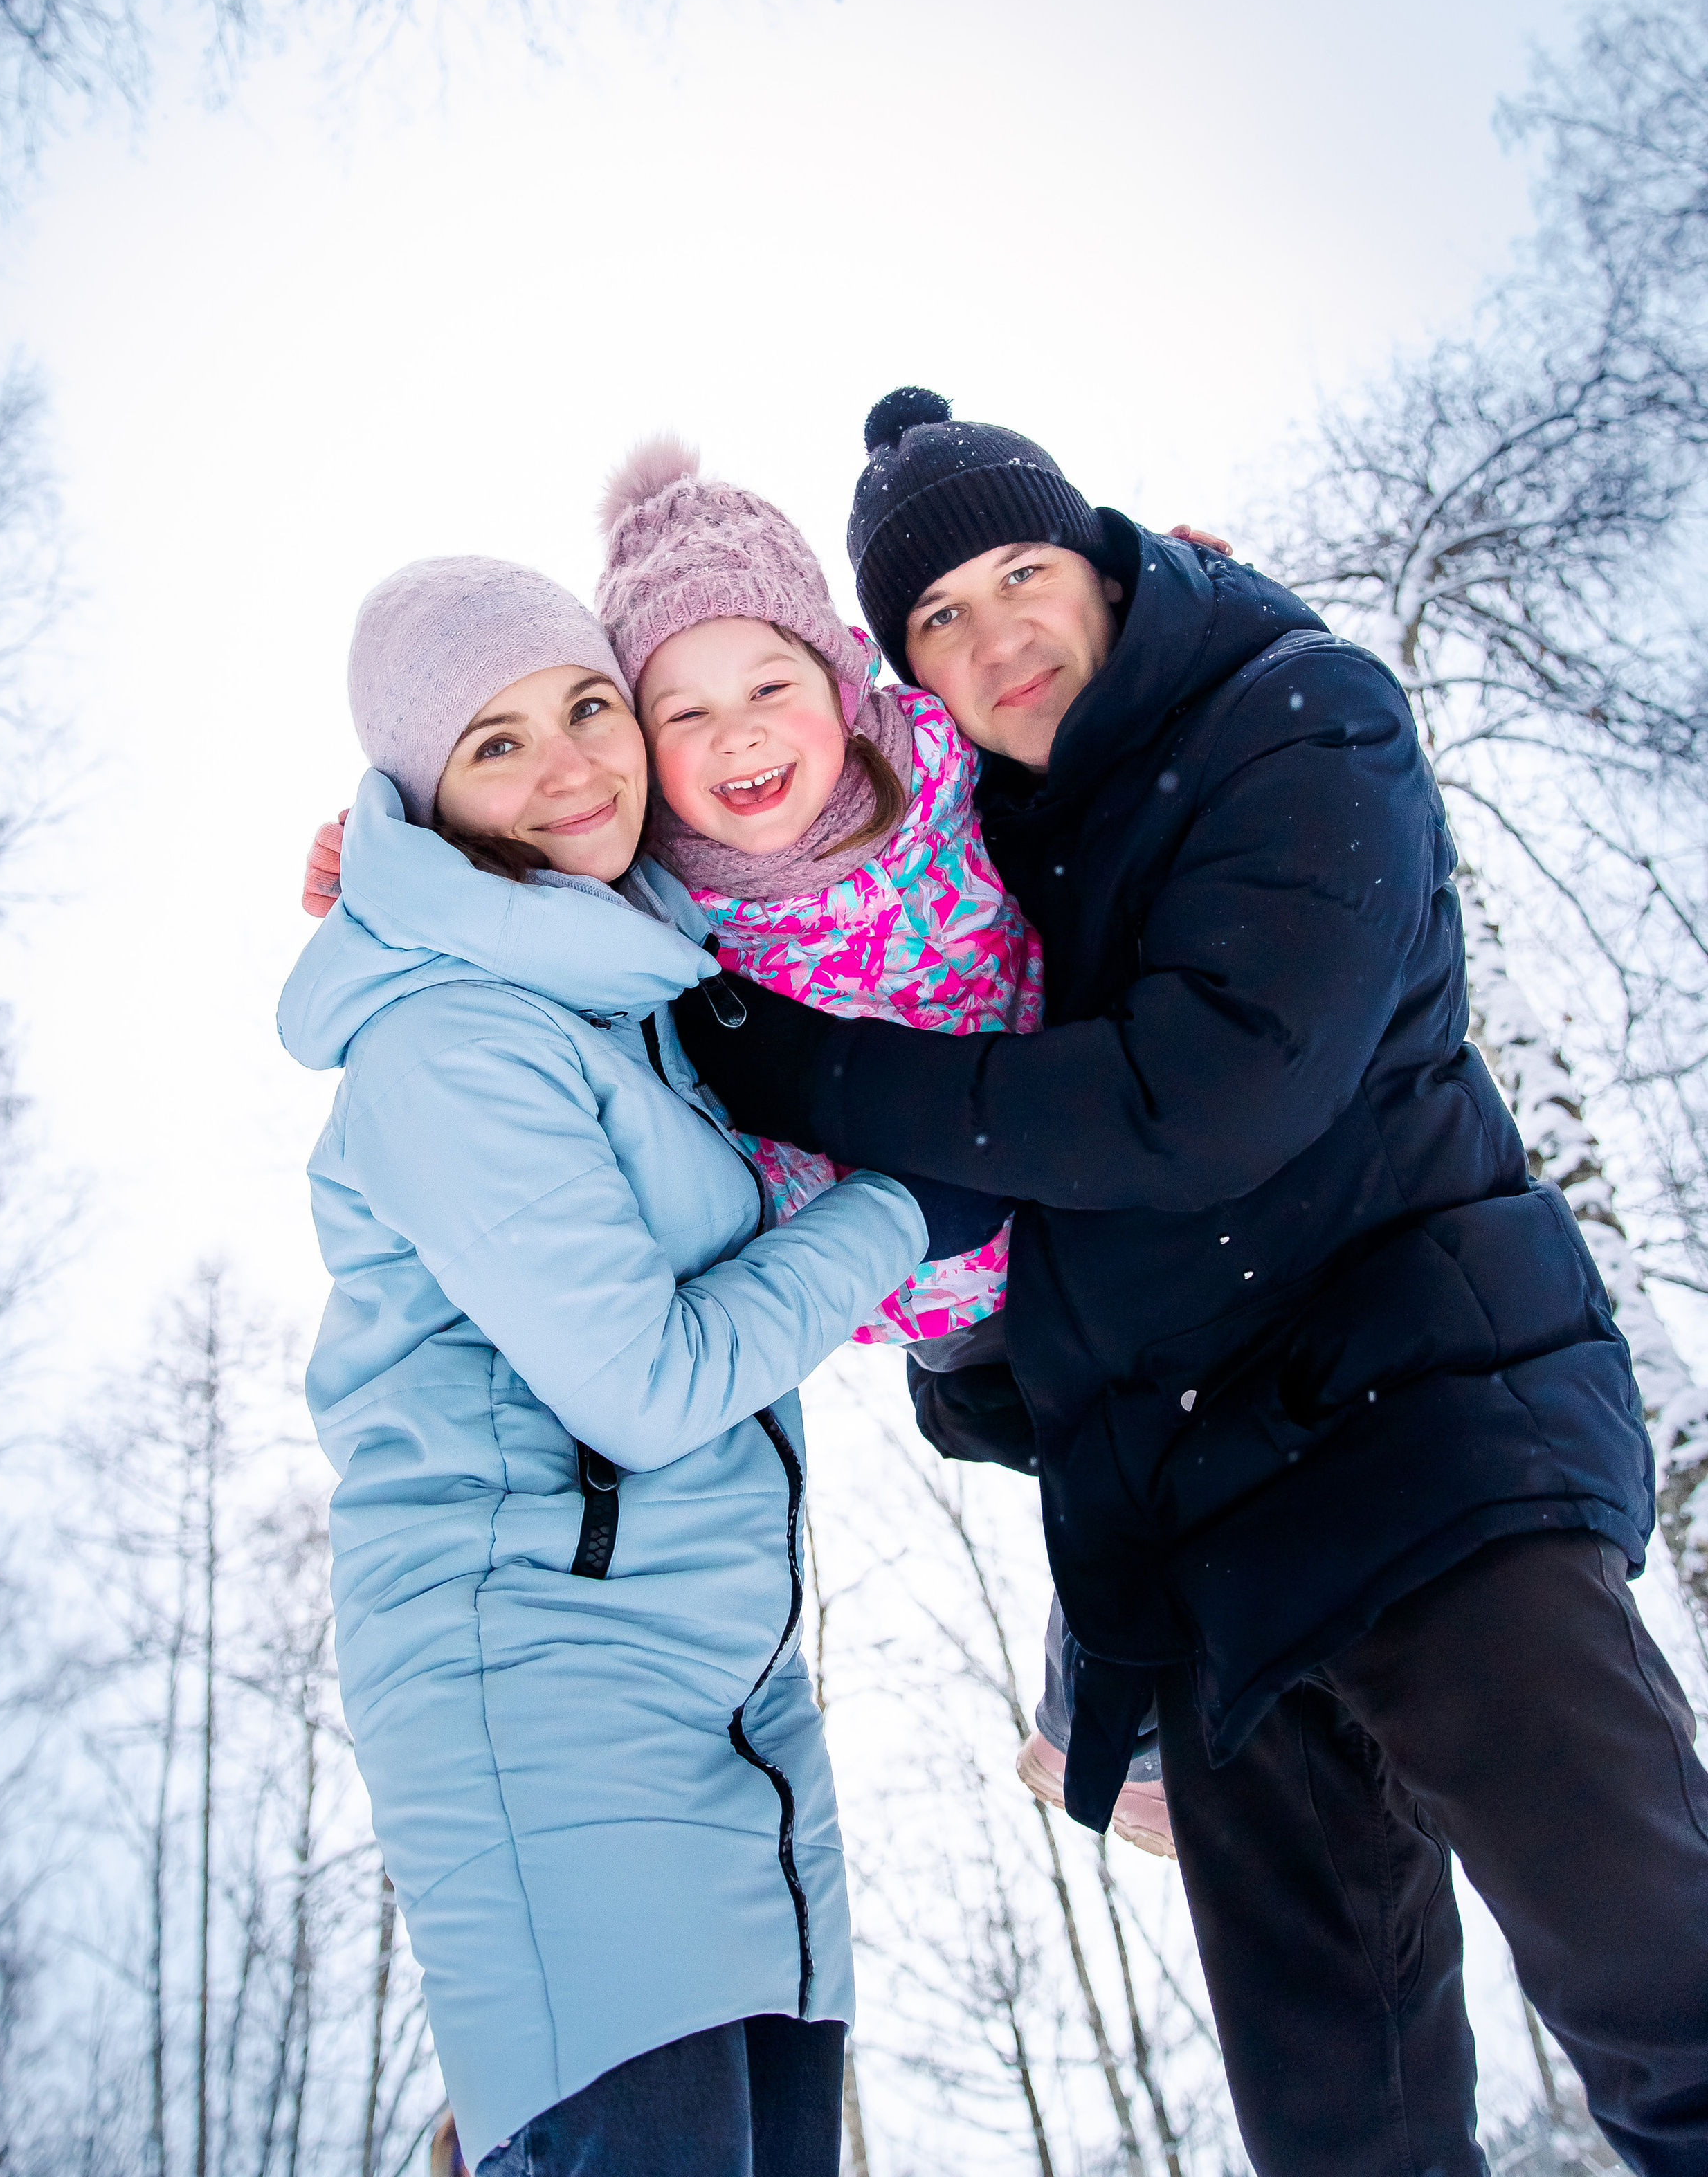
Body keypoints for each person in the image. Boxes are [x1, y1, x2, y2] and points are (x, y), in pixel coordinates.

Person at [673, 388, 1708, 2177]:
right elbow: (669, 768)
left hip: (1430, 1453)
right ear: (897, 671)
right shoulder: (982, 845)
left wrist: (801, 1072)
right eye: (939, 619)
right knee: (1345, 2136)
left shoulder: (1298, 719)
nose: (999, 637)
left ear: (1104, 558)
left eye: (1024, 574)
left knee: (1662, 2000)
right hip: (1199, 1550)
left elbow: (1203, 1100)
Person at [278, 555, 932, 2176]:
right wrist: (906, 1213)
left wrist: (1155, 614)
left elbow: (829, 718)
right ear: (428, 803)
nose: (573, 763)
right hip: (546, 1689)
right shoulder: (451, 1040)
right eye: (495, 744)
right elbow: (637, 1387)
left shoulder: (634, 984)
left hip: (734, 1695)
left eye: (584, 705)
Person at [590, 435, 1174, 1856]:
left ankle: (1116, 1724)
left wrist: (1186, 592)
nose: (738, 734)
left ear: (839, 682)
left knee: (1187, 1449)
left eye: (770, 686)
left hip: (1086, 1180)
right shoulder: (649, 902)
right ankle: (1115, 1735)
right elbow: (499, 846)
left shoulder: (934, 751)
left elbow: (1079, 674)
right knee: (1123, 1463)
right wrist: (386, 850)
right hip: (932, 1268)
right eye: (686, 710)